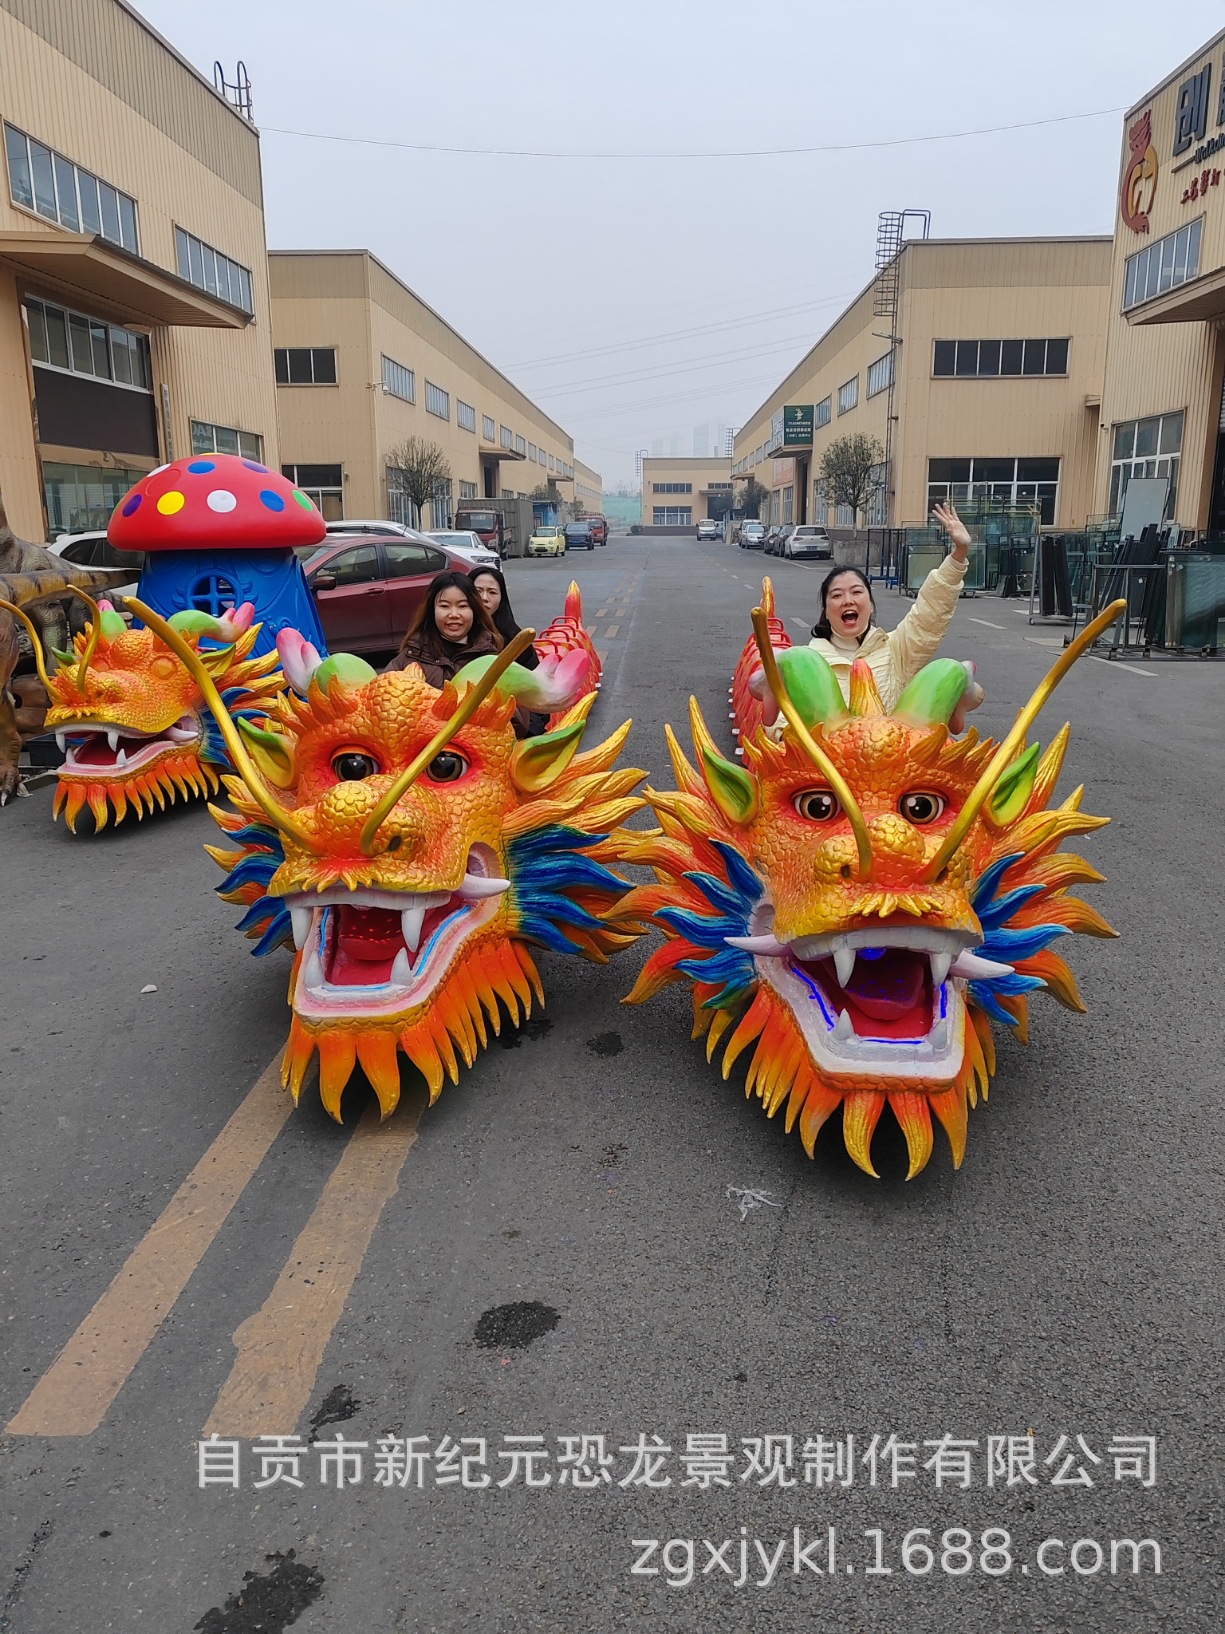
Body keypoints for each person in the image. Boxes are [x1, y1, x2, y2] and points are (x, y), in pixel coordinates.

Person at [807, 501, 978, 713]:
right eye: (837, 595)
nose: (848, 600)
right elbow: (784, 721)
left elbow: (929, 613)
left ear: (870, 604)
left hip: (893, 746)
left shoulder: (896, 650)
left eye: (857, 592)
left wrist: (960, 553)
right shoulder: (810, 661)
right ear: (825, 608)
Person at [470, 566, 549, 736]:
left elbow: (538, 689)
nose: (484, 598)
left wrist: (529, 731)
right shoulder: (456, 637)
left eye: (492, 592)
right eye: (478, 591)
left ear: (501, 598)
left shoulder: (515, 639)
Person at [385, 571, 502, 686]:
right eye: (444, 606)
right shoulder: (410, 656)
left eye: (462, 606)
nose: (454, 614)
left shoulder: (491, 659)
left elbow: (513, 701)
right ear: (432, 611)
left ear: (475, 610)